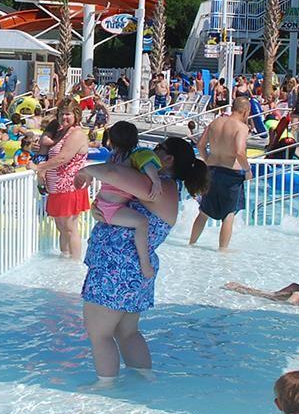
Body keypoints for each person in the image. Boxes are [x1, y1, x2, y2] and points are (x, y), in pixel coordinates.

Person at [75, 135, 209, 385]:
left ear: (168, 159)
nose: (151, 150)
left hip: (117, 268)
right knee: (126, 332)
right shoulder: (166, 188)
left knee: (99, 333)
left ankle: (106, 387)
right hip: (132, 268)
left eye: (158, 148)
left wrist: (84, 170)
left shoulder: (158, 185)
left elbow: (112, 172)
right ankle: (144, 380)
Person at [88, 122, 162, 274]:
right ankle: (145, 262)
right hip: (111, 208)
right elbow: (148, 165)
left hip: (103, 203)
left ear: (112, 140)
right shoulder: (135, 155)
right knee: (142, 223)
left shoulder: (112, 157)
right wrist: (156, 182)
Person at [189, 96, 252, 251]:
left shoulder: (215, 122)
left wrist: (207, 159)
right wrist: (248, 170)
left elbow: (200, 145)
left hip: (211, 170)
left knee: (203, 212)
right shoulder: (241, 128)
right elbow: (239, 151)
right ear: (245, 111)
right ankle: (222, 251)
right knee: (229, 214)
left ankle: (191, 244)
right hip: (231, 173)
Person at [34, 102, 91, 260]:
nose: (64, 117)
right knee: (61, 227)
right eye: (61, 114)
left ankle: (74, 263)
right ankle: (64, 260)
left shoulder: (77, 134)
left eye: (68, 114)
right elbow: (49, 151)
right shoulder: (60, 132)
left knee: (70, 228)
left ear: (76, 115)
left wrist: (39, 167)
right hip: (56, 188)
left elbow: (63, 158)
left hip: (70, 186)